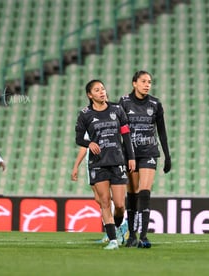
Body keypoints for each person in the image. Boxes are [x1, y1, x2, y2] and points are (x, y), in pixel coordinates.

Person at [75, 79, 135, 250]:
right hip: (98, 164)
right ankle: (113, 241)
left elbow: (126, 135)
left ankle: (119, 228)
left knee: (120, 205)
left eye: (102, 88)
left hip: (117, 161)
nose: (102, 91)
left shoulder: (117, 109)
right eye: (97, 90)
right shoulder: (85, 114)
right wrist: (89, 144)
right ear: (90, 95)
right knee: (105, 203)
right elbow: (78, 138)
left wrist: (130, 157)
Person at [119, 70, 171, 248]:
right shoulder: (124, 102)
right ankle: (131, 235)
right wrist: (126, 155)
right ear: (134, 83)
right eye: (143, 81)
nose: (147, 84)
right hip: (130, 154)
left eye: (149, 81)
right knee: (132, 194)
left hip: (149, 152)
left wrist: (167, 155)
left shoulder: (155, 104)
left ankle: (144, 236)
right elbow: (122, 130)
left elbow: (162, 131)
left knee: (144, 192)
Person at [71, 132, 128, 243]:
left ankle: (120, 226)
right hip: (91, 163)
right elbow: (85, 145)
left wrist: (76, 165)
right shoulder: (88, 121)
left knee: (105, 200)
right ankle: (114, 229)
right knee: (99, 199)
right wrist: (77, 165)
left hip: (102, 162)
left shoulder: (94, 120)